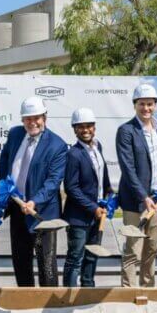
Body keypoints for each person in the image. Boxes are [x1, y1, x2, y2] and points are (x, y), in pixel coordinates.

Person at [0, 96, 67, 286]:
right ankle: (24, 299)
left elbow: (53, 182)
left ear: (45, 117)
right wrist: (4, 186)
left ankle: (48, 305)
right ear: (22, 120)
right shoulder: (15, 135)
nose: (32, 122)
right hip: (17, 209)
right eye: (28, 118)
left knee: (46, 263)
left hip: (42, 214)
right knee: (20, 260)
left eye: (37, 117)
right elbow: (5, 160)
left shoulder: (57, 145)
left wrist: (34, 201)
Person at [117, 84, 157, 287]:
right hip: (136, 201)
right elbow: (128, 168)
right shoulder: (126, 131)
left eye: (150, 104)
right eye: (142, 104)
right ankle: (129, 290)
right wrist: (144, 197)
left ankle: (148, 288)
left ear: (155, 105)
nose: (146, 108)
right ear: (135, 105)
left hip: (156, 200)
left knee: (152, 248)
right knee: (133, 249)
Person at [62, 108, 113, 287]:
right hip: (78, 218)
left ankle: (88, 288)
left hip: (98, 214)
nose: (85, 130)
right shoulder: (73, 154)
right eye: (80, 127)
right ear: (74, 129)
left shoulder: (97, 147)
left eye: (89, 126)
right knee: (75, 258)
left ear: (94, 127)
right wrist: (93, 208)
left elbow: (102, 176)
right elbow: (71, 188)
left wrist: (109, 193)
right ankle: (67, 295)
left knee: (92, 255)